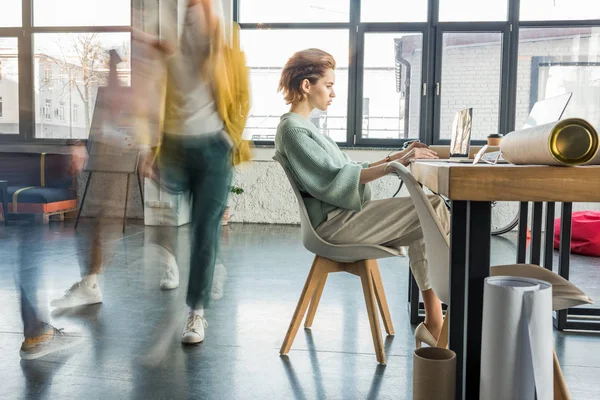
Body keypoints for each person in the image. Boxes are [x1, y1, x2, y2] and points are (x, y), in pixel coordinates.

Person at [275, 48, 450, 347]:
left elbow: (347, 169)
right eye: (328, 85)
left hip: (341, 218)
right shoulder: (293, 130)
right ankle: (462, 303)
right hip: (333, 225)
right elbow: (336, 179)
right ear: (307, 86)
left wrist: (399, 156)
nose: (333, 93)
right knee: (430, 207)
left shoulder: (305, 128)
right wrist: (398, 164)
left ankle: (436, 321)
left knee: (426, 212)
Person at [137, 0, 233, 344]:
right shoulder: (171, 57)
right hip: (176, 147)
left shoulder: (225, 58)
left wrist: (229, 139)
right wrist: (148, 149)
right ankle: (173, 262)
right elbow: (150, 101)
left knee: (204, 230)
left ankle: (197, 313)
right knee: (164, 205)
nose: (194, 23)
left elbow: (241, 99)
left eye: (201, 18)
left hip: (213, 150)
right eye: (189, 17)